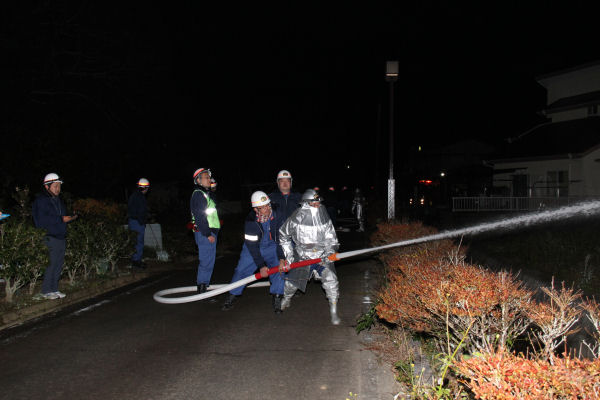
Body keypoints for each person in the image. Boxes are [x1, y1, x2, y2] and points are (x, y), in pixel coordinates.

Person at [278, 188, 341, 325]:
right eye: (314, 203)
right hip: (303, 258)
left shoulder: (323, 215)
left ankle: (334, 310)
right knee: (291, 284)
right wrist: (289, 256)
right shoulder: (296, 217)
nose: (318, 205)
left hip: (322, 257)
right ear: (306, 203)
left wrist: (330, 253)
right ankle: (287, 299)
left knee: (331, 282)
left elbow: (331, 239)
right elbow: (283, 235)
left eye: (319, 202)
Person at [222, 191, 286, 313]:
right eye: (262, 207)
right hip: (254, 247)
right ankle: (232, 295)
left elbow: (280, 239)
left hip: (272, 245)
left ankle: (277, 296)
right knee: (241, 270)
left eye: (267, 205)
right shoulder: (251, 222)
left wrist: (282, 258)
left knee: (279, 268)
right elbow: (252, 246)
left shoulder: (278, 214)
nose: (267, 209)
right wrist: (261, 266)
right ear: (256, 209)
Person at [32, 173, 78, 300]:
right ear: (47, 187)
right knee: (51, 264)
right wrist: (61, 219)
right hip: (49, 236)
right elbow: (41, 220)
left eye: (59, 186)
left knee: (58, 264)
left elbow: (61, 216)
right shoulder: (41, 201)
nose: (58, 189)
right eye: (55, 186)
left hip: (60, 236)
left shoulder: (58, 200)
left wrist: (70, 217)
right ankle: (46, 290)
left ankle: (54, 289)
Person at [190, 168, 220, 295]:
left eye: (209, 177)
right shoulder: (199, 194)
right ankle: (202, 289)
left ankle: (204, 287)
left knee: (209, 261)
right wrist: (207, 234)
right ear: (198, 180)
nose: (209, 179)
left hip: (209, 232)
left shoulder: (205, 194)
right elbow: (200, 216)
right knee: (206, 261)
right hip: (205, 233)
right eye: (206, 177)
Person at [127, 178, 150, 269]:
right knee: (139, 242)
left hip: (132, 221)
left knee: (134, 242)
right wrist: (143, 221)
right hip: (137, 222)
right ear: (145, 188)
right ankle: (137, 261)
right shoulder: (140, 197)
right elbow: (141, 211)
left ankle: (134, 260)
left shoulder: (133, 195)